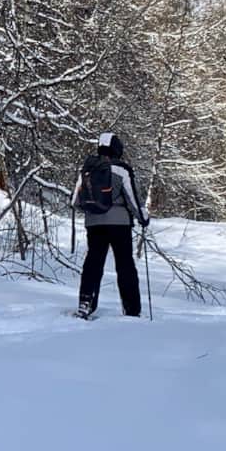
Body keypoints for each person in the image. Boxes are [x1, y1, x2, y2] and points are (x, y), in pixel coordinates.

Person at [73, 132, 149, 319]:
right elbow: (132, 198)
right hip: (119, 224)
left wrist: (94, 210)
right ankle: (131, 309)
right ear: (117, 149)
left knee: (93, 263)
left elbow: (75, 201)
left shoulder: (87, 169)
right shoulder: (122, 170)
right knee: (125, 265)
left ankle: (85, 303)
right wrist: (142, 218)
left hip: (94, 224)